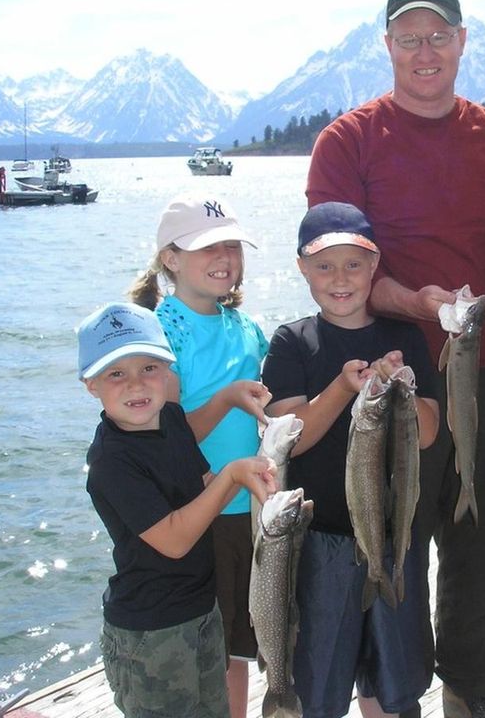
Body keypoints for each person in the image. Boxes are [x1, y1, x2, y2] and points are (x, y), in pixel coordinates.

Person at [305, 0, 485, 718]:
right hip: (390, 377)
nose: (425, 50)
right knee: (392, 537)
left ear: (464, 41)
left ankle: (469, 688)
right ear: (388, 47)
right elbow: (341, 268)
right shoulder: (347, 140)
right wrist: (424, 305)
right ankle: (396, 691)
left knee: (476, 548)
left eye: (439, 35)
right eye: (409, 37)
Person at [261, 202, 441, 718]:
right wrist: (343, 387)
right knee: (318, 683)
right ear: (302, 268)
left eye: (354, 264)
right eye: (324, 266)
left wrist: (402, 391)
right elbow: (291, 437)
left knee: (394, 684)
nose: (340, 279)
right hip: (320, 544)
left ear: (375, 264)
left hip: (394, 539)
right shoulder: (292, 342)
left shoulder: (404, 336)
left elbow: (427, 435)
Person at [78, 302, 276, 718]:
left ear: (169, 371)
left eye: (149, 368)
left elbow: (203, 484)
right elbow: (173, 539)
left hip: (202, 608)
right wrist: (234, 476)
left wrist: (260, 483)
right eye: (116, 374)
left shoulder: (171, 418)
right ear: (91, 384)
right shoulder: (112, 462)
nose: (136, 384)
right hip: (150, 630)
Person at [129, 195, 272, 718]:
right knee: (204, 644)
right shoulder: (160, 334)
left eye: (232, 245)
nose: (225, 257)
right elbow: (166, 437)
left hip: (252, 512)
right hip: (201, 512)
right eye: (207, 246)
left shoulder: (246, 326)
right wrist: (228, 398)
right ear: (170, 258)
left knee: (236, 641)